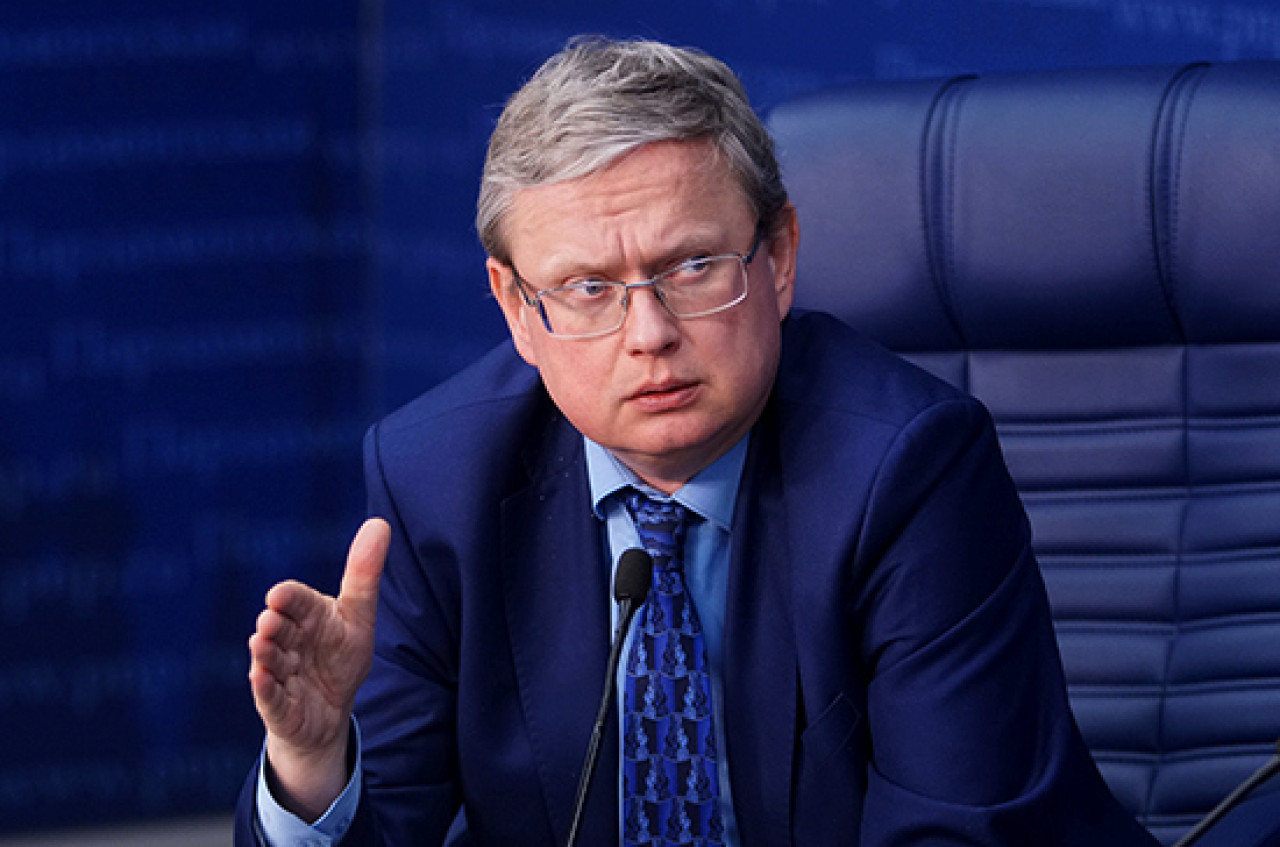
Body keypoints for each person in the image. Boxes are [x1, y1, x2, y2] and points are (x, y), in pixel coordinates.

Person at [236, 37, 1158, 846]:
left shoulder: (910, 468)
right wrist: (314, 765)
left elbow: (957, 830)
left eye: (691, 266)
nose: (649, 334)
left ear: (779, 256)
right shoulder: (438, 481)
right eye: (588, 289)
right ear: (518, 310)